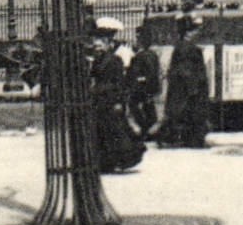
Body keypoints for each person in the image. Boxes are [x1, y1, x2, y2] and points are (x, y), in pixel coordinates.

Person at [89, 21, 144, 172]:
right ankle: (105, 162)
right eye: (95, 46)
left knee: (114, 131)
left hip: (110, 100)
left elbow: (119, 84)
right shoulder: (97, 61)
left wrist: (119, 102)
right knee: (102, 132)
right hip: (99, 100)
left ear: (107, 44)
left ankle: (118, 160)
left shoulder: (115, 60)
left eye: (100, 45)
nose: (97, 48)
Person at [157, 16, 210, 148]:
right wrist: (194, 87)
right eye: (194, 30)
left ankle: (173, 138)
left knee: (178, 112)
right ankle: (189, 140)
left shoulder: (180, 47)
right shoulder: (191, 49)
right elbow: (189, 70)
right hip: (189, 87)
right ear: (188, 33)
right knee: (190, 113)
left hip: (180, 87)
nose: (196, 33)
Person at [126, 29, 163, 139]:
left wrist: (141, 80)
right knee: (148, 107)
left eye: (138, 38)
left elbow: (149, 72)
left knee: (135, 105)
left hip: (143, 87)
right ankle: (149, 130)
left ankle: (146, 129)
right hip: (147, 86)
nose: (136, 41)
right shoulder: (150, 54)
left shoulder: (144, 55)